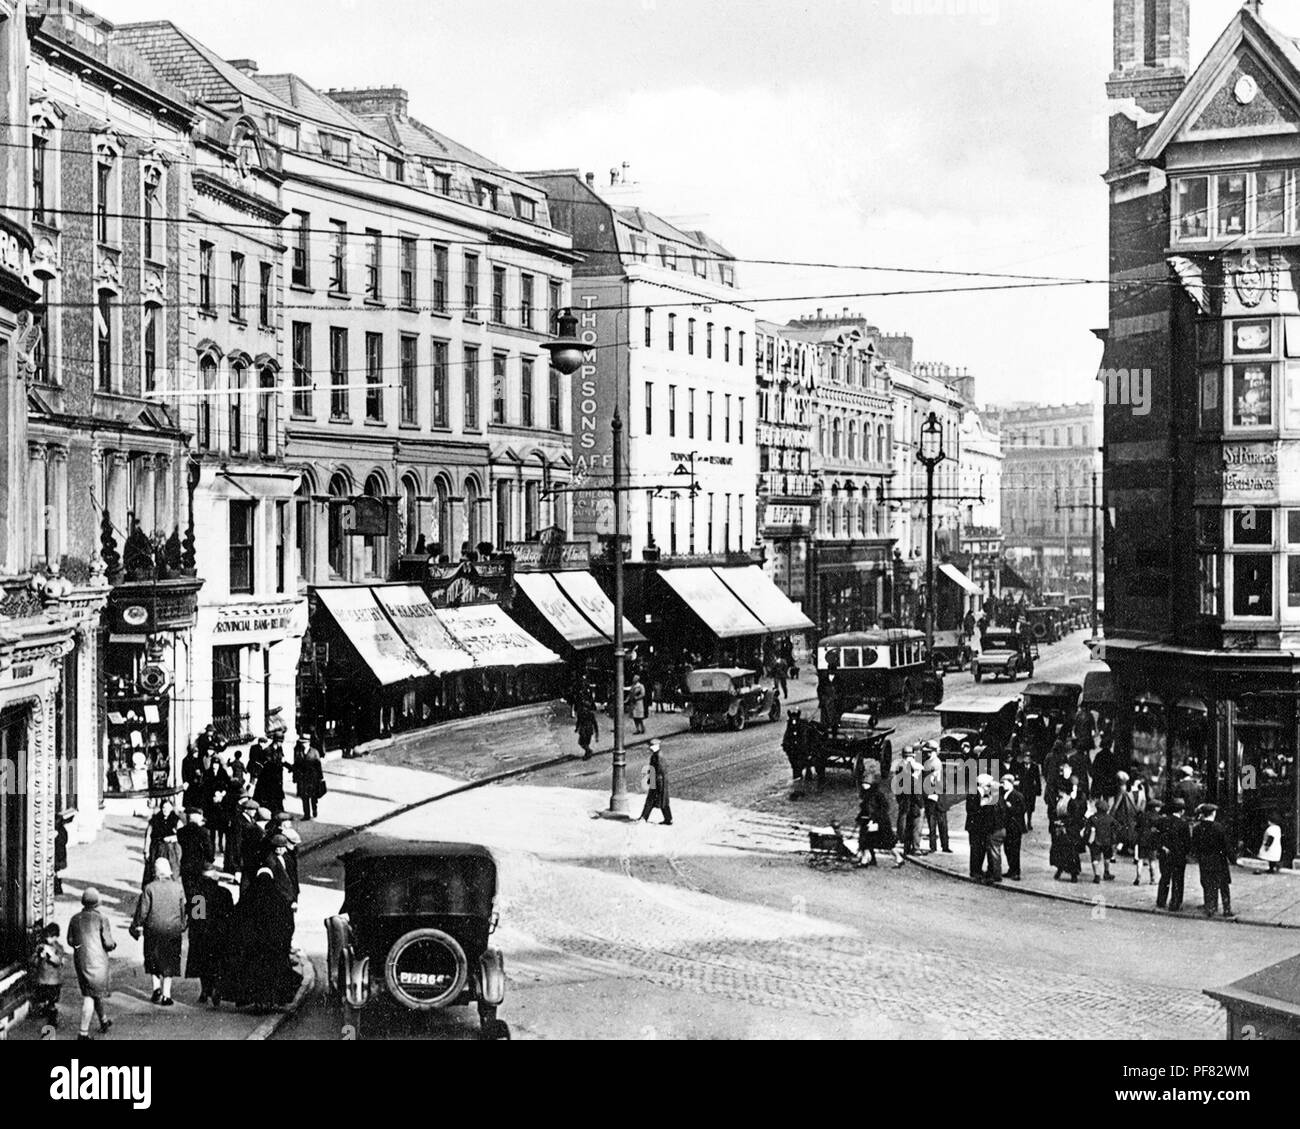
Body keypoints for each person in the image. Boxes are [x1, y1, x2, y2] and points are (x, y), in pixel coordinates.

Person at [219, 867, 301, 1010]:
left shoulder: (248, 897)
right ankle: (270, 1000)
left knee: (253, 971)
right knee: (272, 972)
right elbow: (288, 923)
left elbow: (236, 919)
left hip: (253, 945)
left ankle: (256, 1000)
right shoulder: (279, 898)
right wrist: (285, 942)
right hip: (273, 945)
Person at [131, 855, 187, 1006]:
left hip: (153, 929)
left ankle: (156, 988)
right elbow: (183, 909)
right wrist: (182, 924)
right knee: (170, 961)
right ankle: (167, 994)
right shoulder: (178, 887)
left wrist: (137, 924)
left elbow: (143, 911)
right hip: (172, 930)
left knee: (153, 959)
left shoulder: (149, 888)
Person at [68, 888, 115, 1040]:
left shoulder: (75, 918)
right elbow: (108, 943)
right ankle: (83, 1032)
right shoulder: (102, 919)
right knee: (91, 995)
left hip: (82, 961)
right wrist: (114, 945)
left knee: (92, 991)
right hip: (98, 962)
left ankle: (104, 1020)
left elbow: (70, 941)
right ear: (97, 903)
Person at [187, 863, 234, 1006]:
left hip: (202, 935)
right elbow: (230, 915)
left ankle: (204, 991)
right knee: (218, 963)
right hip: (220, 934)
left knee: (203, 964)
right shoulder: (224, 893)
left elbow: (196, 917)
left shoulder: (198, 894)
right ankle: (216, 988)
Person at [1191, 803, 1235, 919]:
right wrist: (1233, 859)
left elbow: (1194, 846)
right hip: (1219, 860)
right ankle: (1227, 909)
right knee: (1223, 885)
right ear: (1213, 813)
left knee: (1208, 883)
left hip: (1204, 860)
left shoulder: (1197, 829)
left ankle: (1210, 907)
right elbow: (1226, 846)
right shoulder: (1219, 828)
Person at [857, 777, 904, 868]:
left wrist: (874, 820)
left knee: (886, 843)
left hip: (880, 823)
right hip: (870, 821)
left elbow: (882, 809)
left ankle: (899, 858)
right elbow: (865, 809)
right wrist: (860, 818)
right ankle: (866, 860)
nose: (864, 785)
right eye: (863, 783)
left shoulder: (877, 795)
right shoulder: (867, 794)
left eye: (867, 783)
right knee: (865, 841)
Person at [1156, 798, 1192, 911]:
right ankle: (1175, 903)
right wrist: (1186, 853)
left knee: (1164, 877)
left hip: (1165, 855)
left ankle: (1161, 901)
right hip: (1178, 856)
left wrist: (1161, 847)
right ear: (1181, 811)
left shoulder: (1162, 821)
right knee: (1178, 879)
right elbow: (1187, 842)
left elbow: (1155, 836)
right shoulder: (1183, 824)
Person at [177, 808, 215, 906]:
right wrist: (210, 860)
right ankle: (197, 916)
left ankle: (191, 915)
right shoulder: (204, 832)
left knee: (188, 892)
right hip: (199, 867)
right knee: (198, 894)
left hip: (185, 866)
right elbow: (209, 851)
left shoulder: (181, 832)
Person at [1049, 776, 1084, 882]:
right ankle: (1060, 869)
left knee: (1070, 852)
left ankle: (1073, 874)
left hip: (1069, 831)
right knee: (1060, 851)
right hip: (1060, 830)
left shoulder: (1071, 802)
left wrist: (1064, 822)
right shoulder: (1060, 801)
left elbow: (1075, 817)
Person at [142, 798, 182, 889]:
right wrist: (146, 851)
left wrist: (173, 838)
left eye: (168, 808)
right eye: (164, 807)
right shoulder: (155, 820)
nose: (165, 810)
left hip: (171, 851)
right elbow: (148, 835)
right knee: (154, 871)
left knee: (172, 871)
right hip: (156, 850)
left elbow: (183, 835)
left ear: (172, 808)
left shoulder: (176, 820)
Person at [30, 922, 64, 1027]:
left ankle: (52, 1020)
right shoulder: (41, 947)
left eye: (50, 937)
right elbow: (33, 961)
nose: (48, 939)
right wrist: (39, 956)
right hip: (42, 979)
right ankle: (43, 1011)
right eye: (47, 937)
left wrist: (50, 954)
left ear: (55, 937)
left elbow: (58, 961)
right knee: (42, 998)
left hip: (54, 981)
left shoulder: (58, 947)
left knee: (52, 1001)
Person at [896, 746, 924, 856]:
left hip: (905, 804)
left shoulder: (901, 772)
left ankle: (906, 848)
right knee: (916, 827)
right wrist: (921, 805)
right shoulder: (913, 780)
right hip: (915, 806)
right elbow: (917, 795)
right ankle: (916, 848)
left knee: (907, 826)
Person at [922, 744, 950, 853]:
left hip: (935, 798)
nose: (927, 753)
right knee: (938, 823)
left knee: (934, 823)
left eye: (929, 751)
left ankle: (936, 846)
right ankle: (943, 846)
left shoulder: (932, 763)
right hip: (936, 798)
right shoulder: (930, 763)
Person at [1084, 797, 1117, 884]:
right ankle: (1106, 872)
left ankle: (1097, 875)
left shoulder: (1092, 818)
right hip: (1107, 842)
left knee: (1095, 858)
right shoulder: (1110, 818)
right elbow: (1116, 829)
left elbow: (1087, 830)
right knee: (1107, 858)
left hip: (1095, 841)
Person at [1000, 774, 1026, 880]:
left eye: (1005, 783)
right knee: (1007, 849)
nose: (1003, 785)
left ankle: (1016, 871)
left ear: (1011, 783)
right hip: (1007, 826)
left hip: (1015, 827)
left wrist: (1010, 807)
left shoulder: (1017, 795)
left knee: (1014, 850)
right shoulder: (1004, 794)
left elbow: (1022, 810)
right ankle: (1011, 869)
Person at [639, 740, 672, 825]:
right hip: (657, 781)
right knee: (658, 800)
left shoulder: (658, 756)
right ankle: (668, 819)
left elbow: (660, 771)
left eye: (651, 746)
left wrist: (656, 783)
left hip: (658, 782)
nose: (650, 748)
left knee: (656, 800)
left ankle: (644, 817)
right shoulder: (656, 755)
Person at [292, 738, 326, 820]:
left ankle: (314, 809)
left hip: (313, 778)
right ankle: (306, 814)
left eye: (305, 743)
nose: (304, 745)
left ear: (309, 743)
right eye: (302, 743)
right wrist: (295, 777)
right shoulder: (298, 752)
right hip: (302, 778)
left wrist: (320, 777)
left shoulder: (314, 752)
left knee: (313, 796)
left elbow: (318, 765)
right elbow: (296, 764)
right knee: (304, 797)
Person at [252, 740, 286, 814]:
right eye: (280, 741)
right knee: (269, 794)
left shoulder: (279, 749)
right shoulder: (267, 750)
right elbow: (266, 762)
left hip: (277, 776)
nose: (281, 743)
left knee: (277, 794)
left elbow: (282, 759)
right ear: (276, 741)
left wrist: (288, 766)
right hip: (268, 776)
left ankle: (279, 810)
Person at [1134, 799, 1161, 886]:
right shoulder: (1157, 818)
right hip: (1152, 841)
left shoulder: (1142, 816)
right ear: (1155, 808)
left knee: (1140, 859)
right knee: (1152, 860)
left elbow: (1137, 827)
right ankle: (1152, 879)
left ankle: (1138, 878)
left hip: (1142, 840)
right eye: (1158, 807)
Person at [1014, 747, 1040, 832]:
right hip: (1022, 789)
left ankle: (1029, 822)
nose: (1027, 759)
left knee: (1030, 808)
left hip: (1031, 790)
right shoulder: (1020, 766)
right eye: (1025, 757)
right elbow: (1017, 777)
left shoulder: (1035, 767)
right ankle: (1023, 824)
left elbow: (1037, 779)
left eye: (1029, 757)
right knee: (1022, 807)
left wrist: (1038, 790)